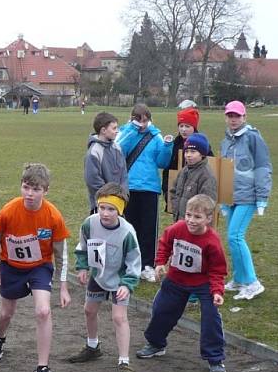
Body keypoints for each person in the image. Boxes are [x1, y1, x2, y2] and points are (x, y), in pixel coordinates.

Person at [0, 163, 71, 372]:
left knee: (43, 311)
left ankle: (43, 367)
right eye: (26, 188)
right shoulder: (9, 210)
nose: (30, 194)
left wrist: (63, 285)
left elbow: (61, 253)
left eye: (36, 189)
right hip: (11, 267)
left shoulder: (53, 216)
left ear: (46, 191)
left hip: (40, 267)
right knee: (6, 313)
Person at [137, 194, 229, 372]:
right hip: (176, 279)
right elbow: (165, 243)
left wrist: (217, 291)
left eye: (197, 217)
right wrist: (160, 262)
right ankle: (156, 344)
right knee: (162, 310)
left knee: (211, 318)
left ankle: (215, 358)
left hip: (203, 283)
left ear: (209, 219)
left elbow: (218, 270)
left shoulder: (212, 242)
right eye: (188, 215)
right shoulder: (177, 229)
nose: (191, 220)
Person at [69, 183, 141, 372]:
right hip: (98, 276)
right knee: (89, 311)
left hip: (120, 280)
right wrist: (82, 267)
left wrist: (127, 284)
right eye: (102, 207)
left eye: (111, 209)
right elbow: (82, 247)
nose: (105, 213)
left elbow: (134, 261)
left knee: (119, 317)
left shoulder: (127, 233)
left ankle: (124, 362)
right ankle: (93, 347)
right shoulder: (89, 224)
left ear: (120, 210)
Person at [219, 100, 272, 301]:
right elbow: (223, 170)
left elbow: (262, 167)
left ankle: (252, 282)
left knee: (235, 236)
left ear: (244, 117)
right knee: (232, 238)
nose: (233, 120)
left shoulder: (253, 138)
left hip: (248, 196)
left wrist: (262, 198)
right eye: (230, 116)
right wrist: (223, 200)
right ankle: (239, 278)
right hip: (231, 197)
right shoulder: (226, 141)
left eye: (237, 116)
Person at [116, 103, 174, 283]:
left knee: (149, 229)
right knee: (129, 228)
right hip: (129, 187)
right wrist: (133, 130)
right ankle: (129, 263)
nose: (142, 124)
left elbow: (162, 163)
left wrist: (166, 146)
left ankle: (147, 265)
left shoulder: (156, 136)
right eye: (139, 120)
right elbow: (119, 150)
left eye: (145, 120)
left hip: (149, 188)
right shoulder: (124, 132)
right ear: (132, 119)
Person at [163, 107, 213, 213]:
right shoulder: (175, 143)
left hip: (195, 190)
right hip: (179, 191)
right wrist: (166, 190)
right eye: (181, 126)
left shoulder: (202, 144)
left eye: (187, 126)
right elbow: (168, 169)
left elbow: (211, 165)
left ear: (194, 127)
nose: (183, 129)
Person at [84, 112, 127, 214]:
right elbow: (93, 181)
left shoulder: (117, 148)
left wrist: (123, 195)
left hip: (119, 202)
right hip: (102, 206)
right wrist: (110, 198)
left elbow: (123, 174)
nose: (117, 131)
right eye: (114, 128)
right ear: (103, 130)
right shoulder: (94, 152)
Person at [170, 133, 217, 222]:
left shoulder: (206, 175)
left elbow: (208, 202)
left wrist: (196, 219)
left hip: (196, 224)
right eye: (186, 151)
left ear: (202, 154)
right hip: (180, 221)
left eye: (193, 152)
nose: (188, 155)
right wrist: (176, 209)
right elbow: (174, 191)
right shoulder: (183, 171)